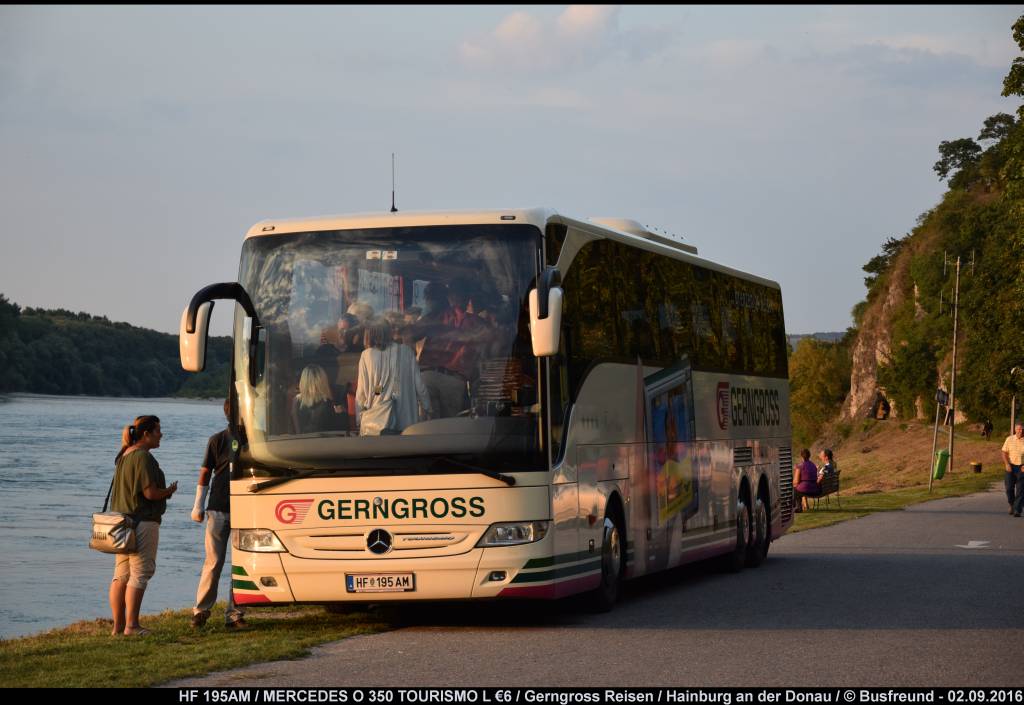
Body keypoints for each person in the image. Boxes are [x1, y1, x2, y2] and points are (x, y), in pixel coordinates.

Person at [108, 415, 177, 637]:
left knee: (121, 575)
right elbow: (150, 493)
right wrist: (169, 491)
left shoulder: (124, 455)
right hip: (142, 522)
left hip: (121, 524)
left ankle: (117, 627)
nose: (161, 434)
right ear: (146, 434)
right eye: (158, 430)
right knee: (140, 573)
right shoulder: (144, 458)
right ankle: (132, 626)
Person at [189, 400, 246, 630]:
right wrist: (198, 506)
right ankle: (205, 611)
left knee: (227, 563)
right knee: (220, 562)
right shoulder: (219, 440)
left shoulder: (250, 439)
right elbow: (205, 472)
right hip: (221, 507)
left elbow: (204, 475)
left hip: (241, 508)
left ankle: (230, 613)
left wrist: (199, 506)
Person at [413, 280, 488, 418]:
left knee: (427, 427)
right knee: (450, 427)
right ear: (468, 299)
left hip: (426, 377)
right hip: (454, 381)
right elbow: (484, 357)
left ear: (450, 297)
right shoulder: (479, 324)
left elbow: (410, 334)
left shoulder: (436, 316)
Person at [356, 318, 431, 434]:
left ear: (370, 334)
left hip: (376, 423)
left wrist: (358, 417)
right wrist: (427, 407)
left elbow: (362, 393)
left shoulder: (366, 355)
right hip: (407, 423)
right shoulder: (407, 351)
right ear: (389, 332)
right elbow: (419, 386)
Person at [293, 364, 345, 433]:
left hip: (301, 442)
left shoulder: (296, 401)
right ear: (322, 381)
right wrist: (340, 414)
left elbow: (297, 430)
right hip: (323, 442)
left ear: (303, 381)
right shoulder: (327, 402)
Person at [1001, 422, 1024, 517]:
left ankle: (1017, 510)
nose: (1021, 431)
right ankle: (1012, 504)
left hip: (1022, 467)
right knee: (1009, 488)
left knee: (1021, 489)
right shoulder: (1009, 439)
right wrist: (1007, 464)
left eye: (1022, 429)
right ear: (1015, 430)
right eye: (1019, 429)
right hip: (1010, 466)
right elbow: (1004, 452)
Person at [793, 448, 820, 513]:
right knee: (799, 488)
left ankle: (798, 507)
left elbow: (796, 481)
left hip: (806, 489)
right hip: (815, 489)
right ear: (809, 456)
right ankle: (799, 506)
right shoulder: (813, 465)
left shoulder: (800, 466)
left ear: (801, 456)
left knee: (794, 490)